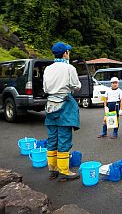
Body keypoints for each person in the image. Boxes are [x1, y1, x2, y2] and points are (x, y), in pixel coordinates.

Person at [43, 42, 81, 181]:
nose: (69, 53)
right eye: (68, 51)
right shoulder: (69, 68)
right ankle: (64, 171)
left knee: (52, 138)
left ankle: (52, 170)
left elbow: (45, 89)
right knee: (64, 138)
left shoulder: (47, 69)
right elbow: (76, 86)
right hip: (64, 104)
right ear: (65, 53)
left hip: (50, 105)